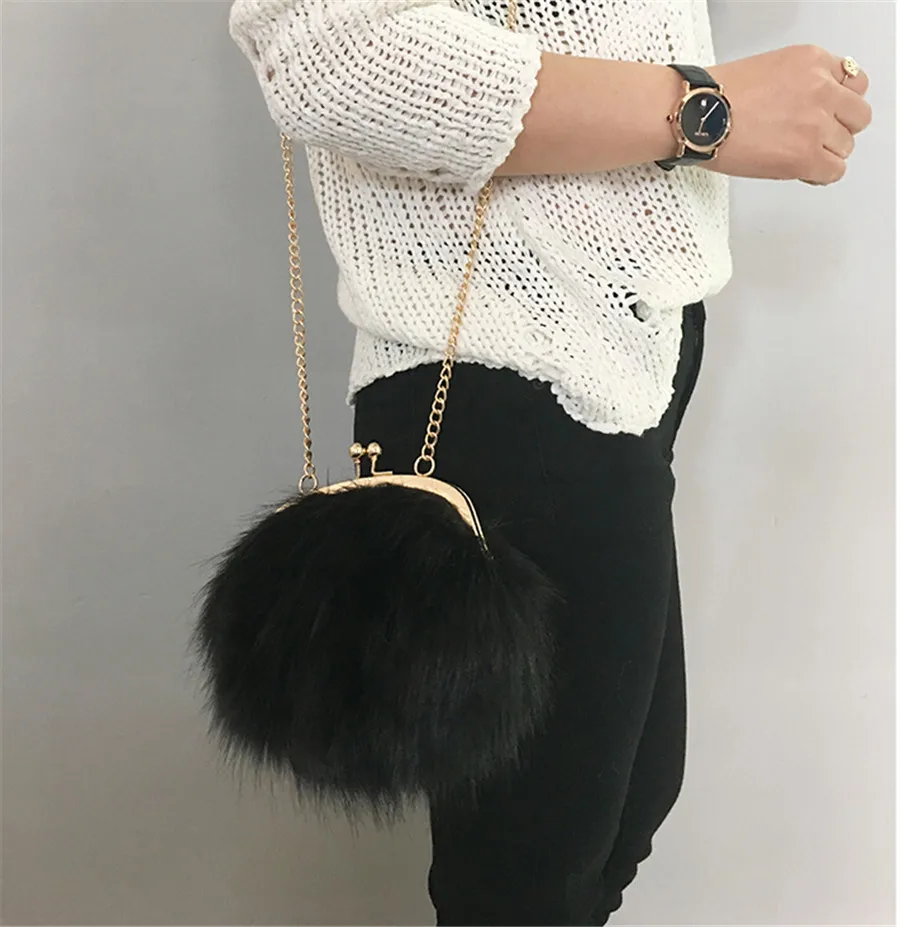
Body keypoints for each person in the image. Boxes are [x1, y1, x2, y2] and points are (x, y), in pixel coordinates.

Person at [227, 1, 873, 923]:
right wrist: (709, 110)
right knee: (533, 878)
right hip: (504, 371)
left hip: (614, 362)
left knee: (611, 822)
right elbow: (336, 55)